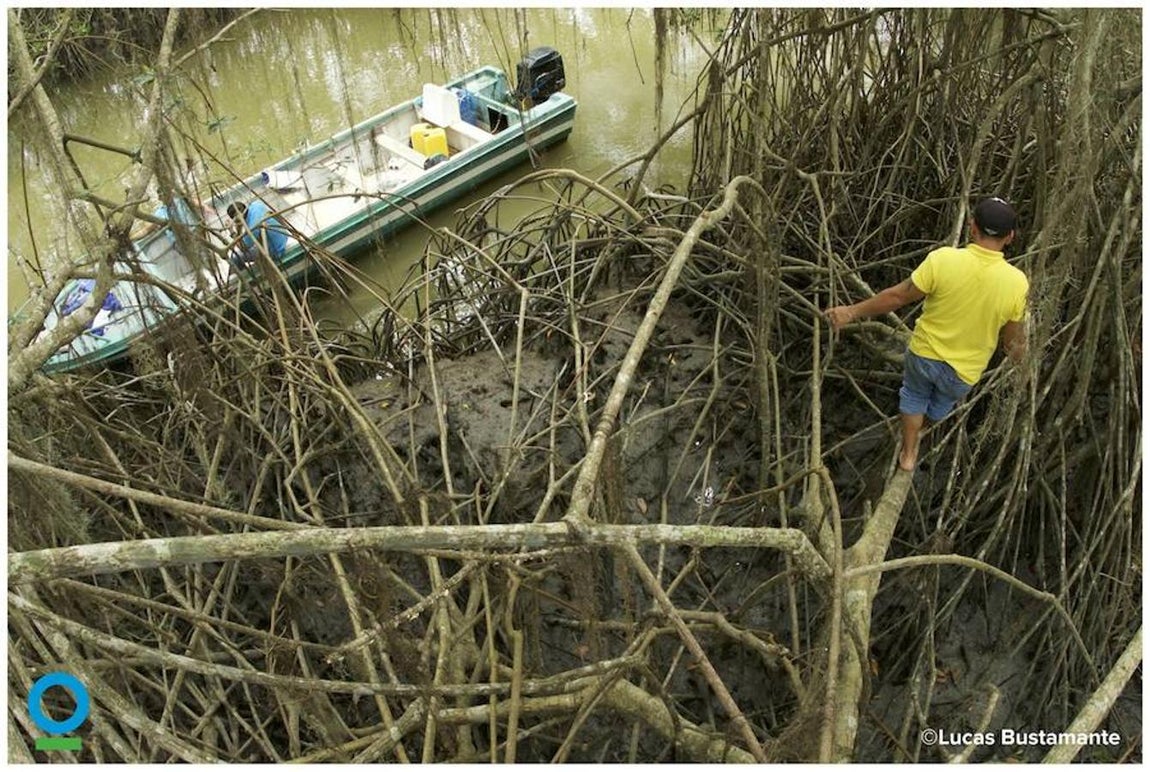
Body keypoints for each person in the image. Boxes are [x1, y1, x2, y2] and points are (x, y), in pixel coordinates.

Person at [824, 197, 1029, 472]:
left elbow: (897, 297)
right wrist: (1022, 360)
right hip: (963, 373)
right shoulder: (1018, 283)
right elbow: (1011, 342)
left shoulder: (943, 260)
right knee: (941, 403)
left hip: (924, 357)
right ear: (1010, 237)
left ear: (972, 227)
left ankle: (908, 453)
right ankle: (925, 427)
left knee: (913, 395)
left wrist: (851, 311)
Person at [226, 200, 288, 266]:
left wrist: (232, 232)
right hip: (283, 238)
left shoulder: (253, 228)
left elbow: (243, 248)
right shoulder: (256, 204)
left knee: (235, 258)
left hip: (276, 251)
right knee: (255, 242)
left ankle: (248, 274)